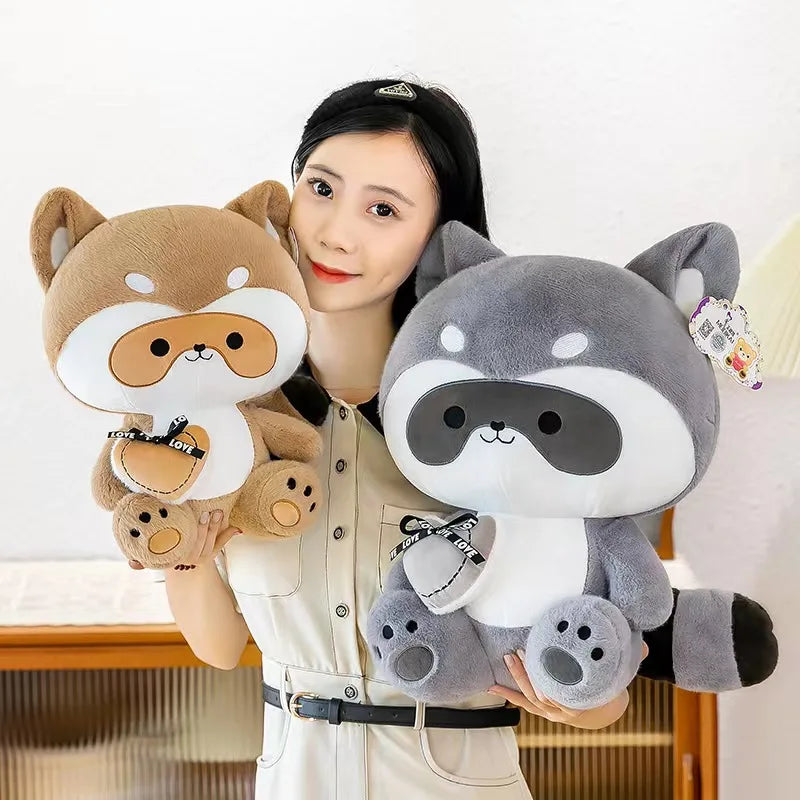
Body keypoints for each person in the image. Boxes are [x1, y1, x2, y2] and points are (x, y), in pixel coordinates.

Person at [139, 78, 640, 799]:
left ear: (437, 236)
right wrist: (176, 538)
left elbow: (604, 681)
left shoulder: (496, 423)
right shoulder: (231, 418)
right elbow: (219, 648)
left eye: (383, 209)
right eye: (321, 189)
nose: (336, 232)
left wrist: (581, 701)